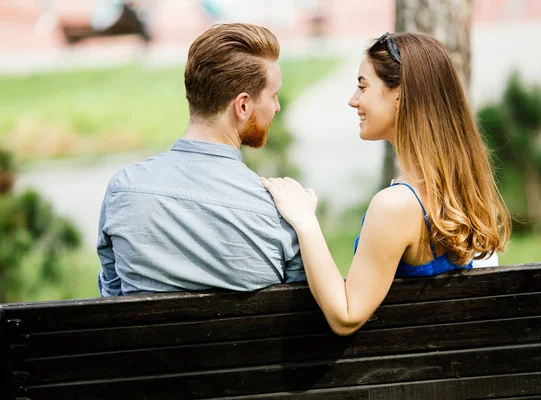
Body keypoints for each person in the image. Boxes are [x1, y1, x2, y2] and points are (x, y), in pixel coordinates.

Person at [261, 32, 511, 336]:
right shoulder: (465, 188)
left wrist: (305, 223)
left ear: (400, 93)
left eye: (363, 86)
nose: (353, 100)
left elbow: (346, 315)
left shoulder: (396, 205)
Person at [97, 23, 305, 296]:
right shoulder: (280, 210)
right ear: (242, 106)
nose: (276, 106)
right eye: (273, 95)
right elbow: (300, 310)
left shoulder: (123, 191)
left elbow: (112, 297)